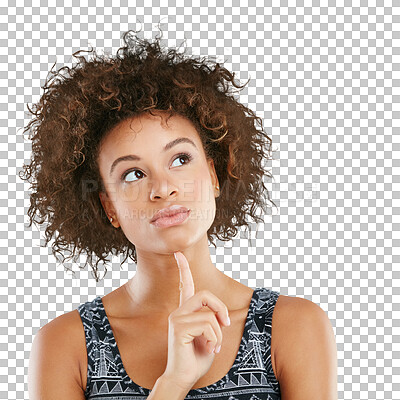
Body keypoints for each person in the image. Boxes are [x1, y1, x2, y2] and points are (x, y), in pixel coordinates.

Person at [23, 30, 338, 399]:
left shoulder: (294, 327)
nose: (163, 188)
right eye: (133, 174)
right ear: (109, 206)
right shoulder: (66, 345)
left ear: (215, 175)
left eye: (180, 159)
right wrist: (173, 382)